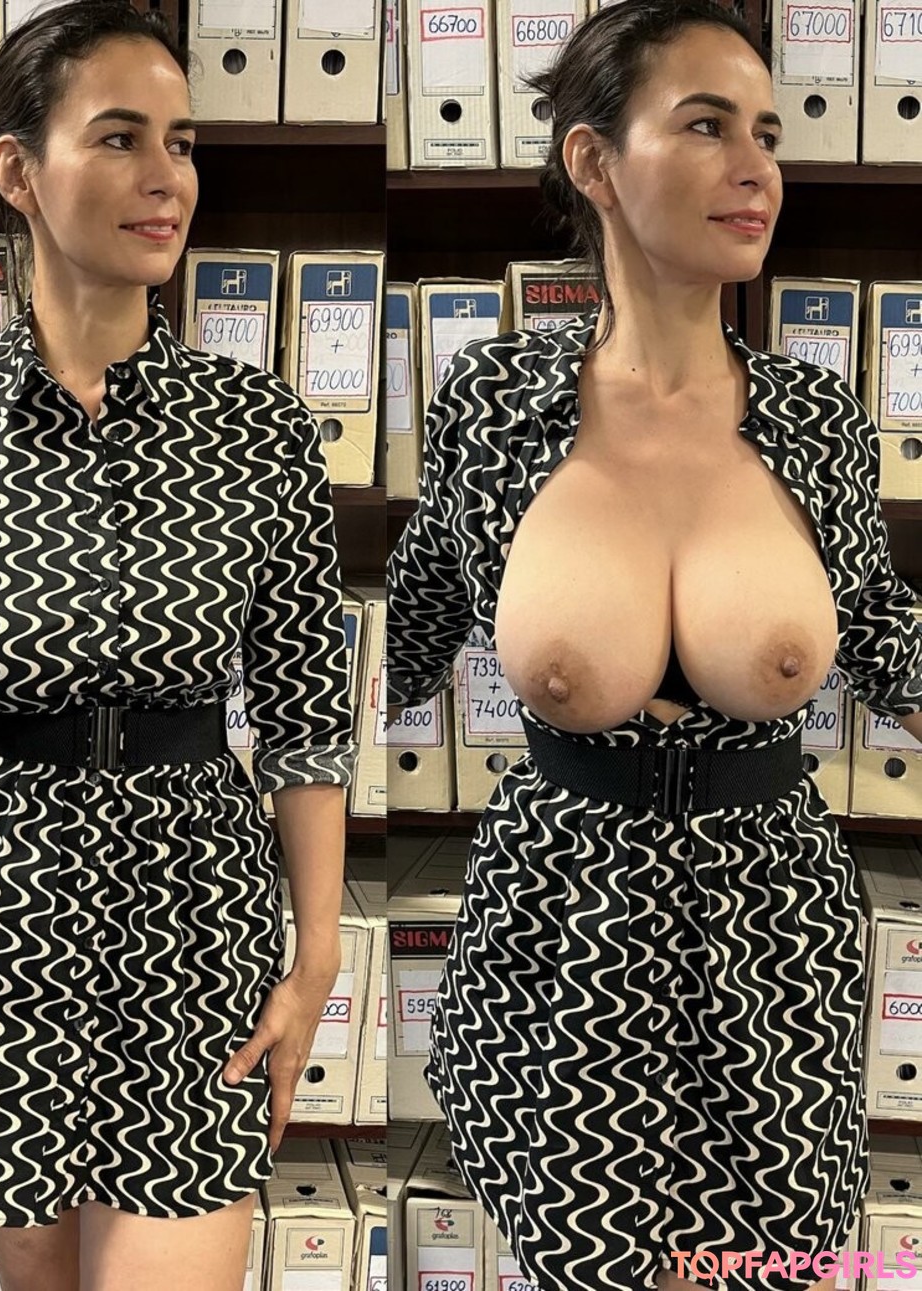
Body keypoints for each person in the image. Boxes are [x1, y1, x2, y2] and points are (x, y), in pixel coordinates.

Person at [386, 2, 922, 1290]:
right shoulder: (495, 406)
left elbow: (887, 640)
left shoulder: (815, 418)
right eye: (705, 126)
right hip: (563, 929)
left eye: (767, 135)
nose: (756, 168)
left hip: (775, 934)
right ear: (594, 161)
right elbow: (389, 649)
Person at [0, 3, 355, 1289]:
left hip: (197, 909)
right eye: (120, 138)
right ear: (19, 172)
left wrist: (317, 956)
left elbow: (307, 715)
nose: (166, 176)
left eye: (181, 142)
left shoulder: (258, 426)